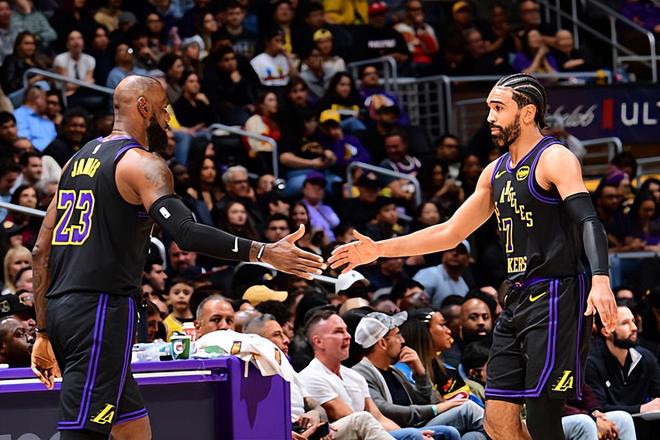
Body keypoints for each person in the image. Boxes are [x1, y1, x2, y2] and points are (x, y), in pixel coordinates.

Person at [29, 75, 326, 439]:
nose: (169, 118)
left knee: (133, 430)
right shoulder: (141, 163)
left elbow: (40, 250)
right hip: (101, 309)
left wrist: (43, 330)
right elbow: (185, 232)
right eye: (164, 108)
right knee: (83, 432)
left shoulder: (75, 162)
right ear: (144, 107)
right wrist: (263, 251)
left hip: (62, 309)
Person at [329, 73, 617, 440]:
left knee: (543, 417)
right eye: (489, 108)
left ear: (527, 112)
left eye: (499, 108)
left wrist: (601, 279)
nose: (490, 117)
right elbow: (449, 232)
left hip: (556, 295)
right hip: (516, 299)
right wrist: (379, 249)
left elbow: (588, 220)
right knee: (497, 421)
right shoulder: (494, 172)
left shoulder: (554, 158)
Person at [352, 311, 485, 439]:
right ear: (382, 343)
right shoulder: (361, 373)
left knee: (474, 436)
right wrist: (435, 409)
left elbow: (429, 401)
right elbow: (384, 409)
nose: (402, 340)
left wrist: (420, 374)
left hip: (415, 427)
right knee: (468, 409)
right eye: (397, 335)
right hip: (399, 433)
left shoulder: (394, 372)